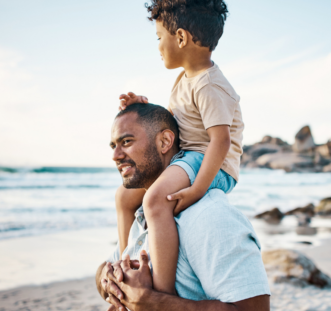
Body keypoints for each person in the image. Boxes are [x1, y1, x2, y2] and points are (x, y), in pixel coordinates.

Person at [115, 0, 244, 296]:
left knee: (155, 200)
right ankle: (127, 264)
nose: (158, 46)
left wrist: (199, 188)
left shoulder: (210, 85)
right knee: (125, 196)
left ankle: (161, 291)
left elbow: (220, 141)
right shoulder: (186, 79)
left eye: (160, 38)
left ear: (182, 38)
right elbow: (176, 123)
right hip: (188, 157)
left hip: (210, 163)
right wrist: (145, 108)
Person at [97, 104, 269, 311]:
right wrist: (109, 279)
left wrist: (155, 303)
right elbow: (107, 266)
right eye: (113, 146)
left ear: (165, 141)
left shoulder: (210, 218)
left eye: (126, 142)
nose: (115, 155)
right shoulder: (143, 215)